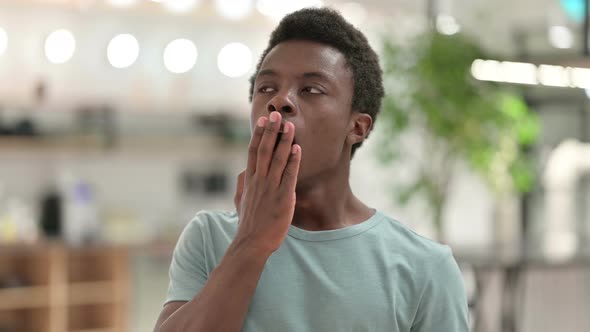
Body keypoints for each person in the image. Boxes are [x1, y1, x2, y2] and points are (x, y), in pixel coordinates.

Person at [154, 7, 469, 332]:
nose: (280, 101)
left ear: (357, 127)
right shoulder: (209, 238)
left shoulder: (425, 268)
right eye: (266, 88)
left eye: (311, 89)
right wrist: (251, 241)